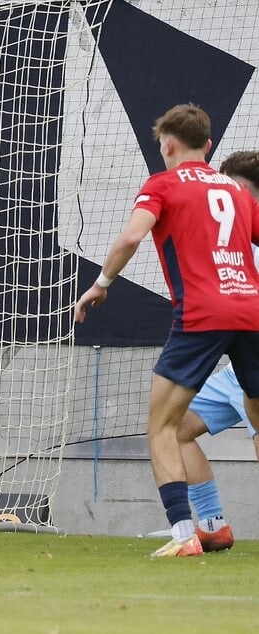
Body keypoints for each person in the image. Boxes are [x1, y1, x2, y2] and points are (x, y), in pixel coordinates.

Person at [75, 104, 259, 558]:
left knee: (162, 427)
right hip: (251, 312)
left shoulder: (162, 185)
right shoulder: (236, 193)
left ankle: (183, 536)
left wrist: (100, 286)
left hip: (201, 314)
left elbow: (132, 237)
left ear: (167, 143)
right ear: (209, 146)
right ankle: (209, 526)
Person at [176, 150, 259, 552]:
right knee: (174, 430)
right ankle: (212, 524)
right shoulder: (229, 237)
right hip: (234, 373)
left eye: (225, 184)